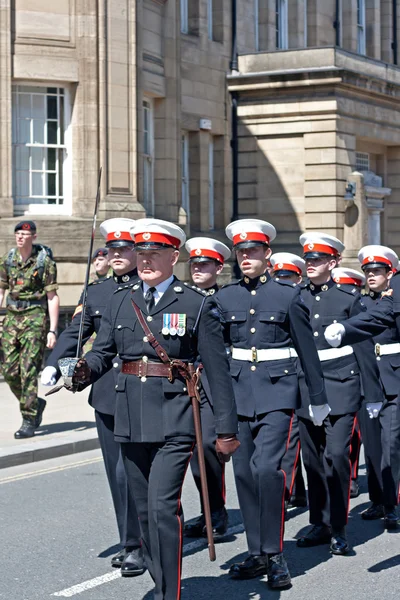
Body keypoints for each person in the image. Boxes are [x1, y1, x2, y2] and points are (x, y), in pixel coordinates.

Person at [71, 218, 239, 600]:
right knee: (145, 512)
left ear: (173, 256)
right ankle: (161, 578)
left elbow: (217, 371)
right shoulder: (120, 299)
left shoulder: (195, 304)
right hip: (130, 416)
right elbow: (103, 352)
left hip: (175, 417)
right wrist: (83, 370)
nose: (145, 261)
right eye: (141, 253)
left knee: (163, 508)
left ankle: (168, 593)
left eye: (154, 254)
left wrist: (226, 430)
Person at [218, 220, 327, 589]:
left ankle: (275, 553)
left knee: (267, 470)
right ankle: (256, 553)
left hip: (278, 395)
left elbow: (307, 352)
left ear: (267, 254)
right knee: (245, 475)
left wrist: (318, 398)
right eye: (240, 252)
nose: (246, 257)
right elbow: (216, 354)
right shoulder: (224, 298)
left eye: (253, 251)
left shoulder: (287, 295)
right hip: (237, 395)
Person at [41, 218, 145, 575]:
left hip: (141, 390)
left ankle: (140, 542)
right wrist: (55, 364)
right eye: (111, 250)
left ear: (138, 251)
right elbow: (76, 331)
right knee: (115, 472)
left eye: (124, 249)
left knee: (131, 472)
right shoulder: (97, 292)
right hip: (105, 392)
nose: (116, 255)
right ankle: (130, 540)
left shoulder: (148, 290)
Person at [296, 232, 384, 555]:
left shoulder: (349, 300)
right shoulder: (297, 297)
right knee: (313, 460)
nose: (311, 265)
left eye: (317, 259)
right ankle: (319, 522)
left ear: (332, 263)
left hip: (342, 387)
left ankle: (339, 526)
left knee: (336, 455)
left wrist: (372, 392)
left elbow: (362, 348)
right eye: (308, 259)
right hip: (307, 388)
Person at [325, 245, 400, 530]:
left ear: (389, 273)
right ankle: (379, 499)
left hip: (393, 376)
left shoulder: (395, 301)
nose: (370, 276)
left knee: (390, 443)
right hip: (367, 380)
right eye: (367, 271)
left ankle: (392, 505)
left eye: (377, 271)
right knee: (372, 445)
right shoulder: (361, 303)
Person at [183, 236, 231, 540]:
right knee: (192, 451)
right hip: (187, 382)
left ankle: (217, 513)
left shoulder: (225, 300)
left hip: (215, 383)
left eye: (205, 264)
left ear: (218, 267)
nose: (198, 268)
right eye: (195, 264)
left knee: (209, 449)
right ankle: (209, 511)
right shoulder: (183, 298)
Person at [0, 220, 59, 438]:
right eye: (17, 233)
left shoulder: (44, 262)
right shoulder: (8, 259)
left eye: (25, 234)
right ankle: (35, 404)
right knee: (9, 371)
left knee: (28, 371)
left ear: (33, 236)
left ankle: (29, 418)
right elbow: (1, 290)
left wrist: (53, 330)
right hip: (12, 318)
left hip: (35, 318)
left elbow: (52, 297)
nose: (20, 237)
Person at [270, 252, 307, 509]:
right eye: (279, 277)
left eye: (288, 277)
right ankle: (287, 493)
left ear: (298, 278)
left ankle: (296, 489)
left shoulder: (301, 300)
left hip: (306, 375)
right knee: (289, 438)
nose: (283, 281)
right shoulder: (270, 301)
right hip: (282, 377)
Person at [331, 267, 367, 499]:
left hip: (356, 375)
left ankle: (352, 476)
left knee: (355, 433)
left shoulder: (358, 307)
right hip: (340, 375)